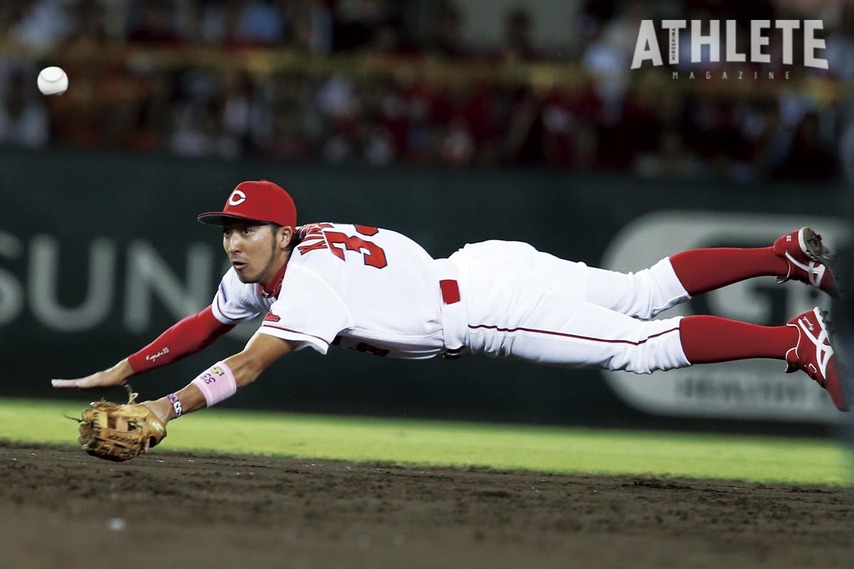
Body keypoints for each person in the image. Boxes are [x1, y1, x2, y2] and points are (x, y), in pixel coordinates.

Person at [52, 180, 850, 430]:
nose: (232, 243)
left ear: (281, 230)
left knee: (636, 345)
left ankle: (793, 341)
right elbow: (209, 321)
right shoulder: (276, 261)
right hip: (481, 264)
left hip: (488, 303)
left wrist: (167, 407)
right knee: (642, 290)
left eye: (245, 230)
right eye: (226, 230)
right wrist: (127, 365)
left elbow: (247, 360)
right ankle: (781, 256)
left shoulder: (308, 280)